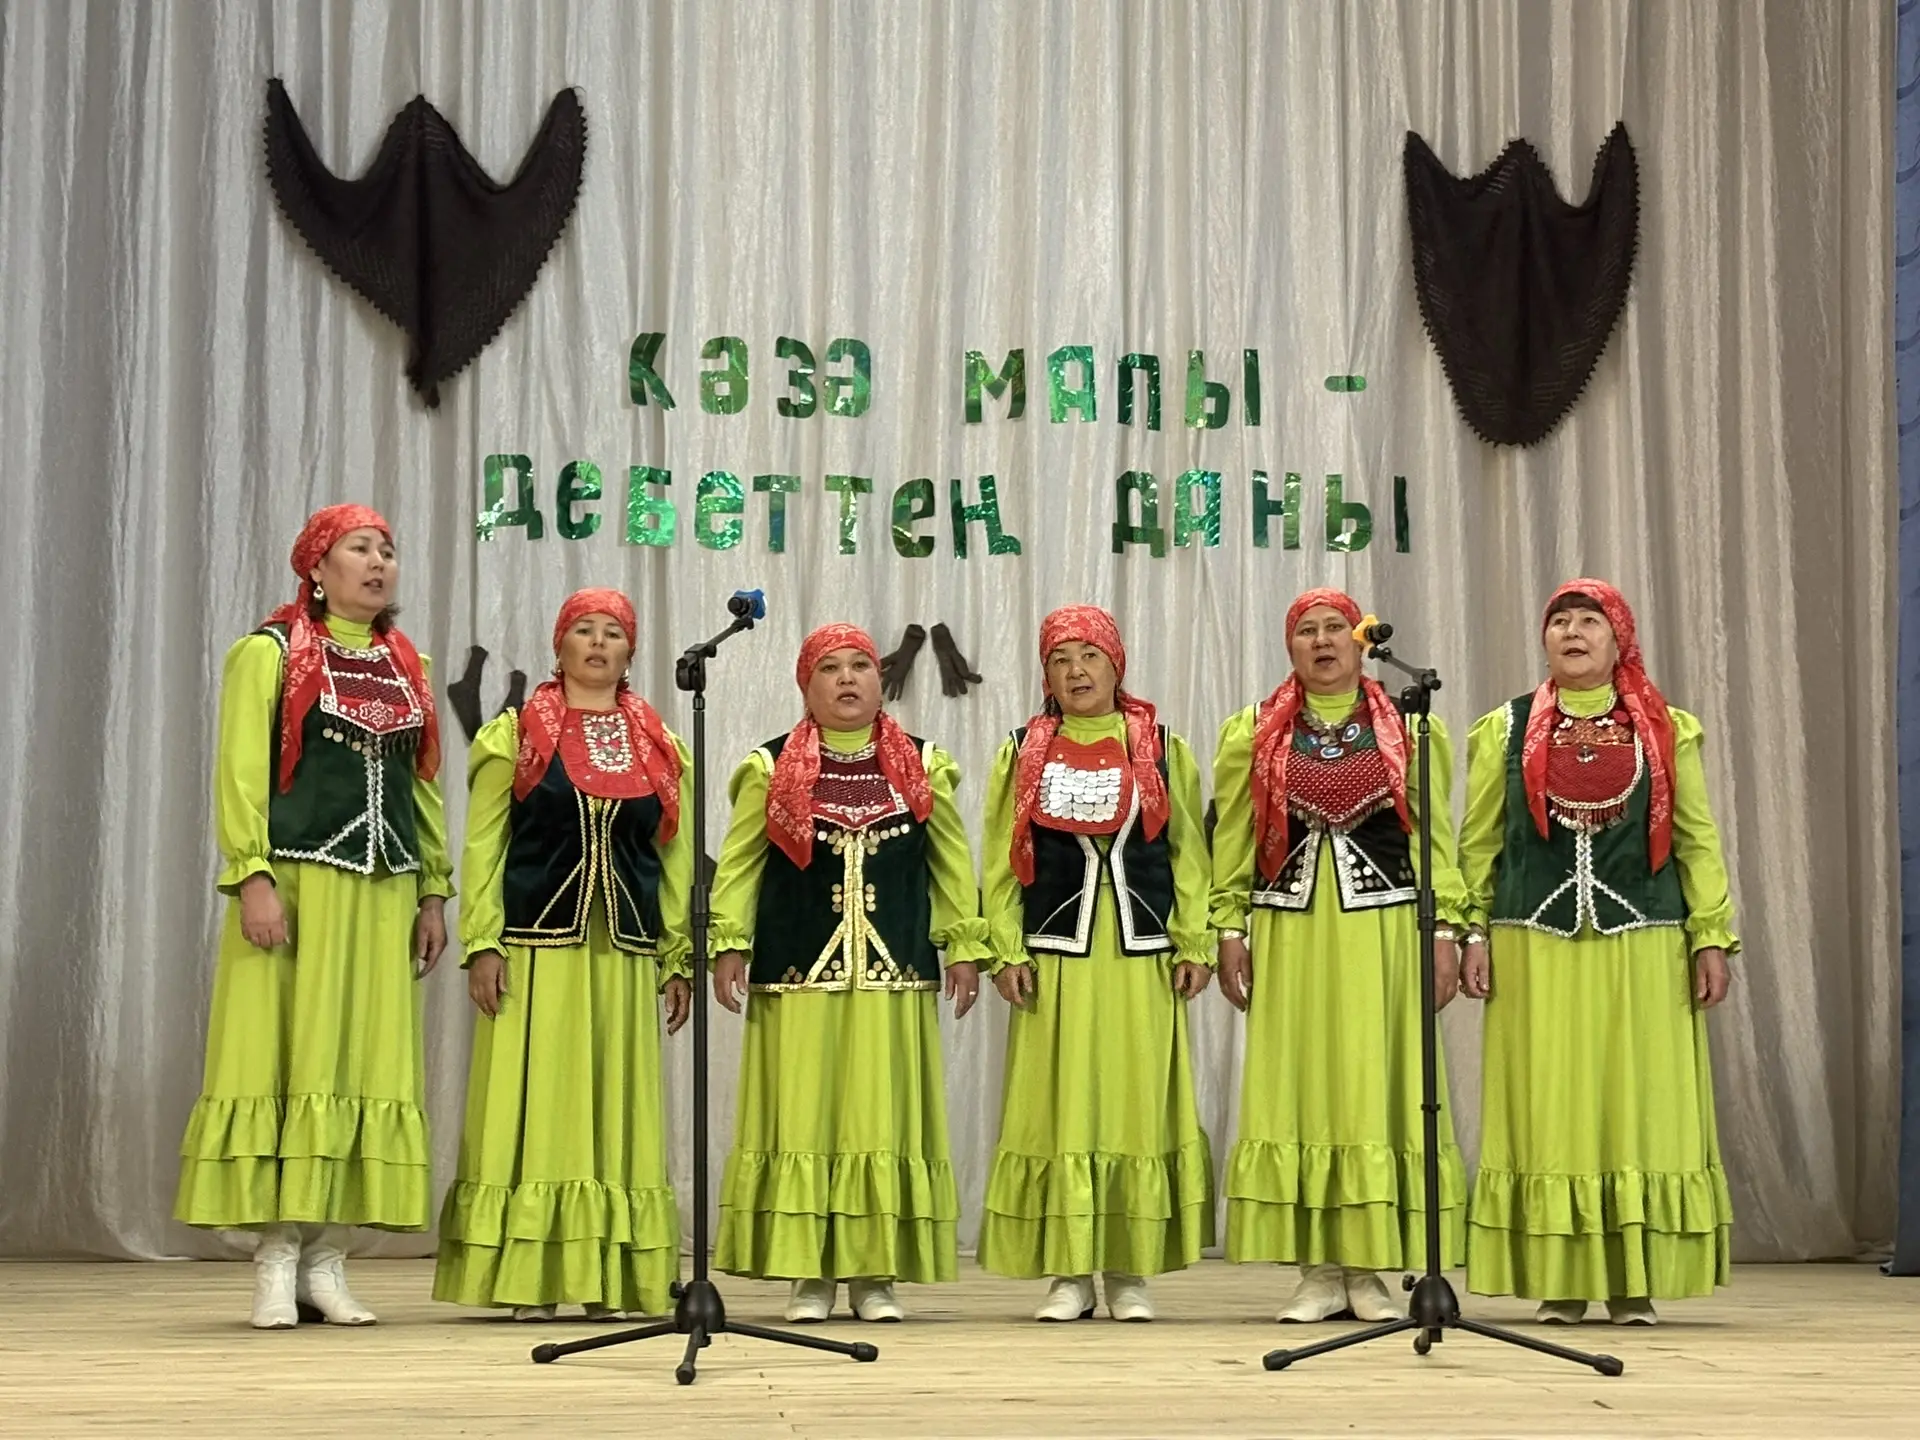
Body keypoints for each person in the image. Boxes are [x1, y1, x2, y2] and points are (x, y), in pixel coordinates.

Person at [175, 503, 450, 1328]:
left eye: (387, 550)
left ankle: (326, 1257)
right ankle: (274, 1255)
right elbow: (240, 772)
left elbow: (422, 784)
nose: (378, 562)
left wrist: (433, 888)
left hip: (383, 889)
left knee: (362, 1063)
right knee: (286, 1057)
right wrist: (252, 876)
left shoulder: (407, 662)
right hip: (299, 884)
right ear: (318, 568)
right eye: (360, 548)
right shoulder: (269, 653)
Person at [1460, 578, 1736, 1325]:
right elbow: (1478, 841)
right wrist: (1471, 932)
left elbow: (1696, 838)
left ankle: (1631, 1279)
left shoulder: (1665, 728)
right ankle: (1561, 1279)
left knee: (1635, 1104)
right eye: (1560, 622)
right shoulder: (1505, 729)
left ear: (1619, 639)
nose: (1572, 633)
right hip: (1533, 939)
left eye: (1589, 621)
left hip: (1644, 938)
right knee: (1549, 1104)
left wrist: (1710, 935)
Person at [709, 623, 988, 1322]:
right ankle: (809, 1274)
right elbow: (740, 864)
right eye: (829, 668)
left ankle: (873, 1274)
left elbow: (951, 863)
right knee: (803, 1117)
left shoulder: (922, 764)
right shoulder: (769, 766)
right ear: (806, 686)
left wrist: (963, 944)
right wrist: (729, 941)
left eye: (859, 665)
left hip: (893, 972)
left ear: (878, 680)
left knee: (879, 1119)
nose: (846, 679)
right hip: (798, 971)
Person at [433, 588, 693, 1321]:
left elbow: (670, 855)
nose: (599, 642)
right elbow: (485, 843)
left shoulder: (658, 742)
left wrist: (677, 953)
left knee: (614, 1103)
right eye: (585, 629)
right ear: (560, 645)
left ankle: (606, 1274)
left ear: (630, 651)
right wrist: (483, 940)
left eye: (613, 632)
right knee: (541, 1102)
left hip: (623, 951)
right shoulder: (517, 734)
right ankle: (535, 1275)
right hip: (536, 949)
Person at [1211, 588, 1468, 1322]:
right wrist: (1228, 927)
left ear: (1361, 642)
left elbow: (1434, 837)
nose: (1322, 641)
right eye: (1306, 631)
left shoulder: (1409, 728)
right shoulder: (1253, 730)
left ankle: (1367, 1269)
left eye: (1335, 629)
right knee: (1302, 1086)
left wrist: (1447, 931)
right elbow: (1232, 836)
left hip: (1383, 930)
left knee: (1373, 1084)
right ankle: (1318, 1272)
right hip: (1291, 928)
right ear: (1289, 647)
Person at [976, 605, 1214, 1322]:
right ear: (1045, 674)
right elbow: (1001, 860)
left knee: (1134, 1105)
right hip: (1056, 958)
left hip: (1141, 956)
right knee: (1060, 1106)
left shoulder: (1163, 748)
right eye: (1060, 659)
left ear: (1117, 665)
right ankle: (1069, 1271)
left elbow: (1188, 855)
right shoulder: (1023, 750)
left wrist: (1194, 940)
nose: (1076, 672)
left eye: (1089, 656)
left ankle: (1129, 1270)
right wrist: (1005, 947)